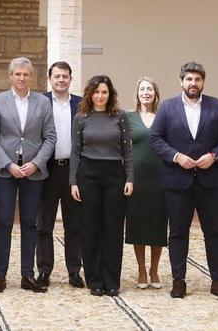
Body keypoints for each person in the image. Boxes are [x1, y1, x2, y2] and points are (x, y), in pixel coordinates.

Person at [149, 61, 218, 300]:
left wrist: (214, 156)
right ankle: (179, 280)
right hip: (178, 181)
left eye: (197, 79)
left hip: (211, 181)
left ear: (203, 82)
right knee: (178, 232)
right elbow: (155, 140)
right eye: (189, 79)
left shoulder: (216, 106)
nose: (193, 83)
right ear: (181, 82)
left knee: (214, 232)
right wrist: (176, 157)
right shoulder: (168, 107)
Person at [0, 57, 56, 294]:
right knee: (4, 222)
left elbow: (50, 137)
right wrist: (6, 164)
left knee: (30, 223)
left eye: (26, 74)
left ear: (32, 77)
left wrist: (37, 163)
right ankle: (0, 275)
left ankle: (27, 274)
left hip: (33, 173)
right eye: (17, 74)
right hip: (5, 172)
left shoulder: (43, 103)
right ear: (10, 76)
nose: (22, 78)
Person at [69, 75, 133, 297]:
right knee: (90, 228)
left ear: (110, 94)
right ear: (90, 94)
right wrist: (73, 182)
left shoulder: (120, 117)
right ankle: (94, 279)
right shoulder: (81, 118)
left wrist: (130, 178)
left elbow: (128, 151)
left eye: (104, 92)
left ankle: (111, 280)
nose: (100, 96)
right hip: (88, 175)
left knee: (113, 229)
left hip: (115, 175)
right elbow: (75, 152)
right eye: (96, 92)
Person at [36, 61, 84, 289]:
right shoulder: (40, 102)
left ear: (70, 79)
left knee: (74, 224)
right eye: (57, 76)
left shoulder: (81, 104)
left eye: (65, 76)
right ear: (50, 78)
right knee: (44, 223)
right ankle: (44, 270)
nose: (61, 80)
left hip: (73, 169)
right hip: (47, 169)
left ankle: (74, 271)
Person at [125, 77, 167, 290]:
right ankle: (141, 269)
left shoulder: (163, 117)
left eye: (150, 89)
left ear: (155, 93)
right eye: (142, 89)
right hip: (137, 177)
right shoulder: (128, 117)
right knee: (138, 223)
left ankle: (154, 269)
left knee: (158, 223)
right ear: (137, 93)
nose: (146, 92)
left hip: (160, 176)